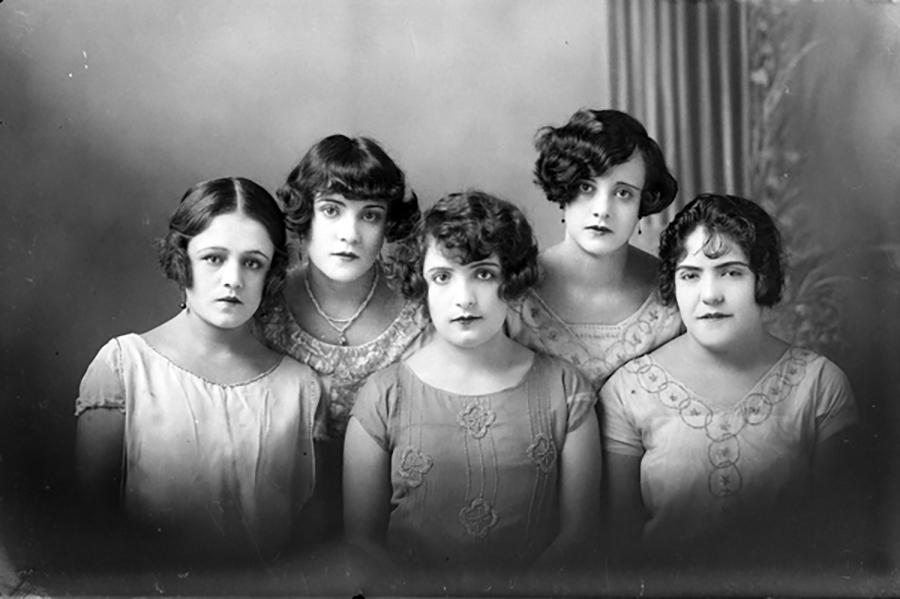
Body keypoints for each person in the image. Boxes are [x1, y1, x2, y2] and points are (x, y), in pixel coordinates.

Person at [343, 191, 602, 585]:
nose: (463, 299)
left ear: (510, 279)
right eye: (443, 278)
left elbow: (579, 536)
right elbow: (362, 543)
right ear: (421, 285)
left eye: (483, 274)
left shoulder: (566, 391)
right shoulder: (382, 396)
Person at [600, 193, 858, 565]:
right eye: (690, 275)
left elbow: (839, 536)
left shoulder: (820, 385)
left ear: (762, 278)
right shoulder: (628, 391)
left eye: (731, 272)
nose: (710, 295)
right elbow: (620, 548)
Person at [74, 177, 320, 565]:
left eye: (252, 263)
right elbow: (93, 527)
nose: (233, 280)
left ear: (272, 274)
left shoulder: (298, 386)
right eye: (213, 258)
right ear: (182, 258)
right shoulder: (125, 366)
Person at [257, 134, 428, 538]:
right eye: (331, 210)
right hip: (281, 523)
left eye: (370, 215)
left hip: (394, 522)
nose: (349, 234)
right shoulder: (263, 304)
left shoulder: (423, 311)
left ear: (388, 225)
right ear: (305, 215)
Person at [507, 109, 682, 389]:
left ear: (642, 204)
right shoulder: (515, 293)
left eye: (623, 193)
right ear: (563, 191)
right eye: (586, 187)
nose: (602, 210)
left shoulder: (675, 295)